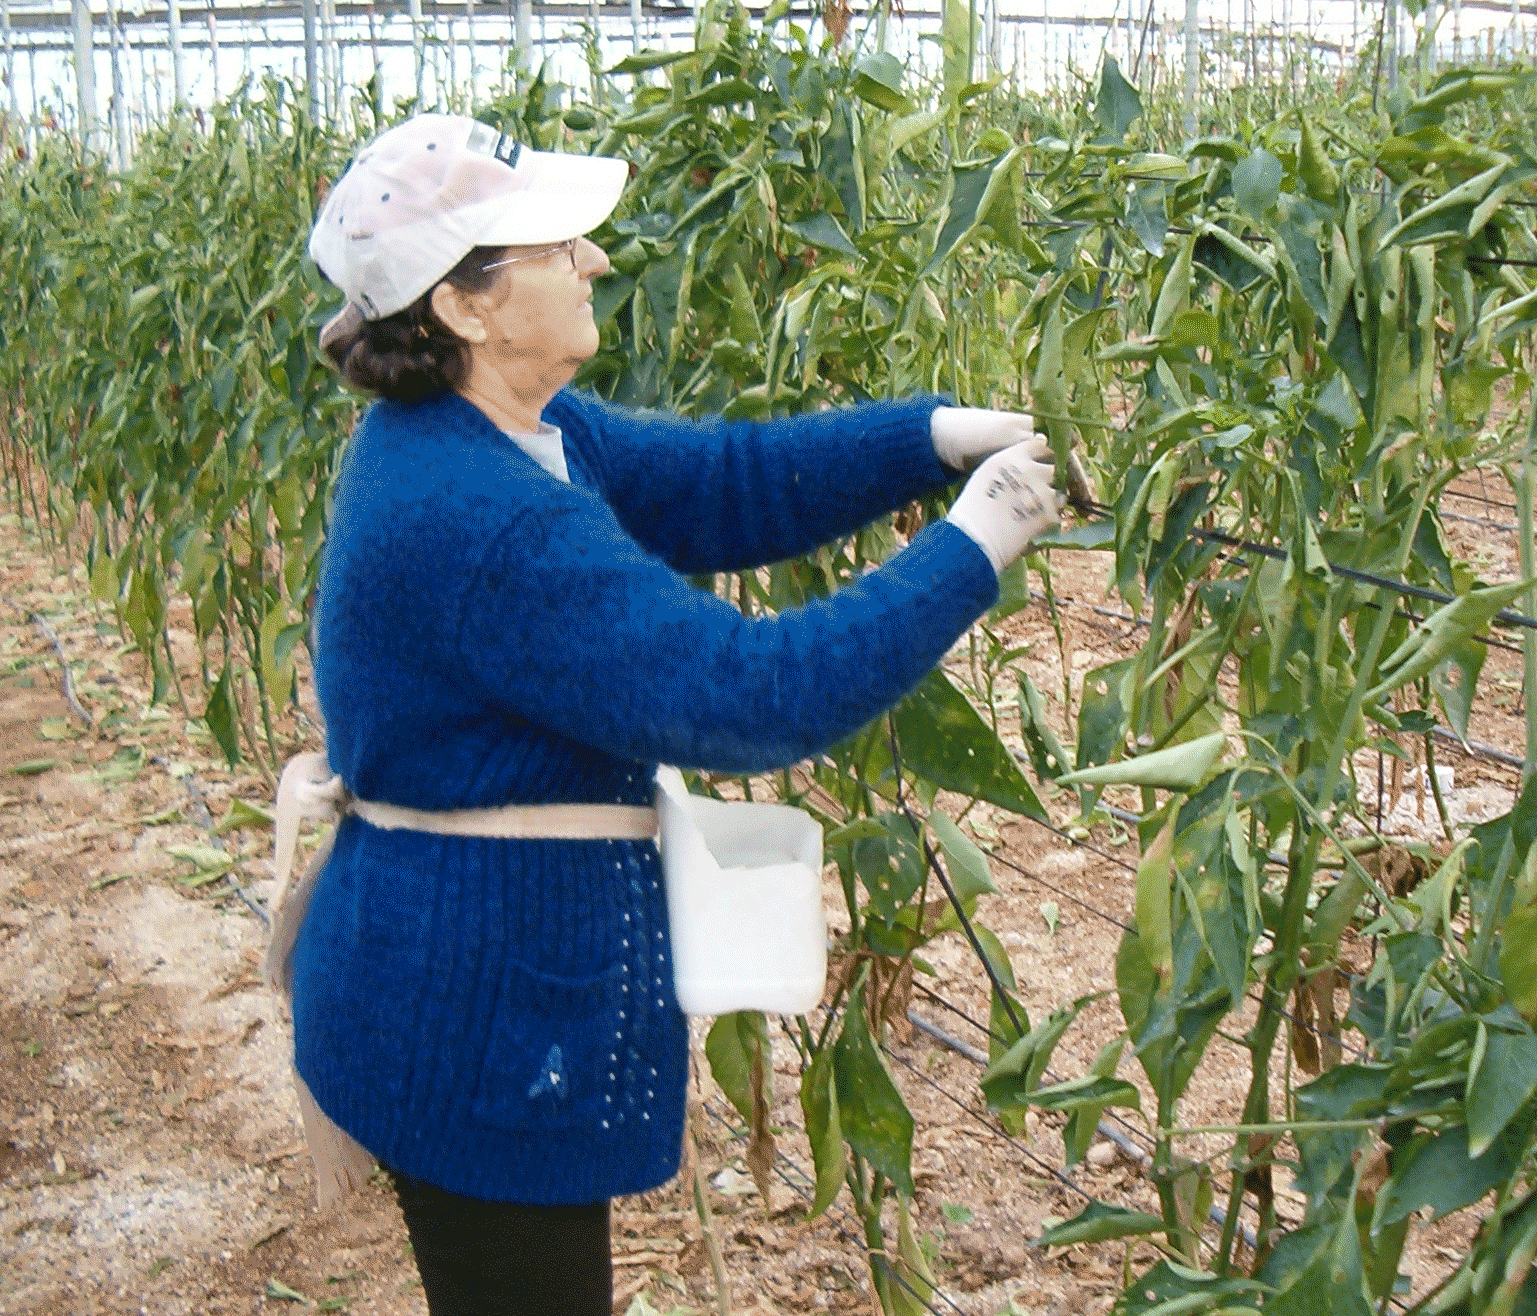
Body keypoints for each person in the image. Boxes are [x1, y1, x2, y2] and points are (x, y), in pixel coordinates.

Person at [279, 112, 1064, 1316]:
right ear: (464, 307)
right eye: (556, 245)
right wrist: (973, 545)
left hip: (459, 980)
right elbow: (756, 695)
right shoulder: (483, 515)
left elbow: (716, 485)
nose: (594, 259)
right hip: (476, 1024)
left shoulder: (502, 430)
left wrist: (925, 439)